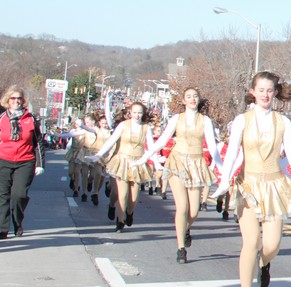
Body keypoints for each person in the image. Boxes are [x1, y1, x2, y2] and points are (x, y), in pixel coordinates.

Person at [210, 71, 291, 287]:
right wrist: (224, 181)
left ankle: (264, 263)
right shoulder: (242, 120)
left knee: (271, 244)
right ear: (253, 91)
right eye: (260, 89)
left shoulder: (283, 121)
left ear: (275, 93)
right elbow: (231, 153)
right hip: (248, 184)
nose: (265, 94)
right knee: (250, 241)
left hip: (274, 185)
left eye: (269, 90)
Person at [136, 87, 223, 264]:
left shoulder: (205, 120)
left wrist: (221, 167)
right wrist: (146, 156)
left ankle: (185, 228)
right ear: (183, 101)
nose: (192, 99)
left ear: (199, 100)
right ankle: (181, 248)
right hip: (177, 162)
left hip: (196, 164)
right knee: (182, 207)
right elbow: (162, 140)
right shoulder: (177, 119)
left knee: (194, 210)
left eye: (195, 96)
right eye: (189, 97)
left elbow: (213, 146)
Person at [86, 102, 155, 232]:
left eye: (140, 112)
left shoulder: (146, 128)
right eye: (134, 112)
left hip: (137, 163)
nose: (137, 115)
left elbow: (151, 148)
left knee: (133, 198)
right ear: (130, 113)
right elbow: (111, 140)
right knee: (121, 194)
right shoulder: (123, 125)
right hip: (122, 161)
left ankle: (129, 212)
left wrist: (156, 162)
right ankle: (120, 220)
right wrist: (98, 155)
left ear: (143, 113)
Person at [0, 86, 44, 238]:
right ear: (8, 100)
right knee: (2, 195)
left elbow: (38, 142)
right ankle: (2, 228)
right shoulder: (2, 118)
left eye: (19, 98)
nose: (16, 101)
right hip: (3, 160)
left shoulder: (30, 119)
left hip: (25, 162)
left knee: (18, 195)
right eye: (13, 98)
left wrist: (40, 164)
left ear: (23, 100)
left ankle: (17, 221)